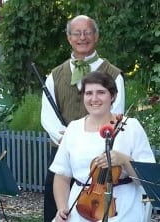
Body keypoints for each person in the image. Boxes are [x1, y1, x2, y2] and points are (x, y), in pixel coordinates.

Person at [41, 15, 125, 222]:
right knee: (58, 212)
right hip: (62, 153)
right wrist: (66, 137)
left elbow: (117, 113)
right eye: (76, 33)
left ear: (96, 36)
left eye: (88, 32)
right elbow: (47, 115)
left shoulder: (113, 74)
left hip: (100, 156)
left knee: (98, 213)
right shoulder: (55, 74)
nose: (82, 37)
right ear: (69, 38)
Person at [50, 71, 156, 222]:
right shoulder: (73, 128)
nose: (94, 99)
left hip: (122, 207)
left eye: (101, 92)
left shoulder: (131, 127)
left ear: (112, 96)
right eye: (89, 93)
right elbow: (62, 176)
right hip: (81, 205)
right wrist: (61, 207)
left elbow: (148, 180)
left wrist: (124, 160)